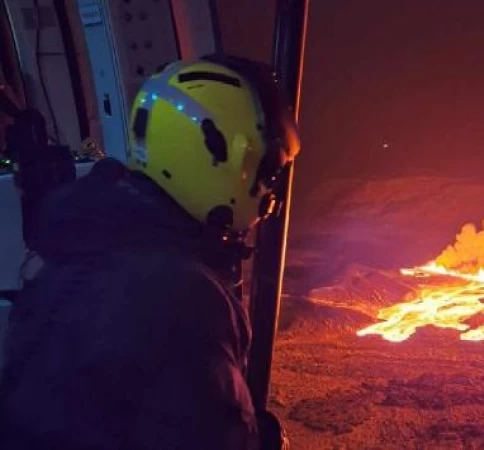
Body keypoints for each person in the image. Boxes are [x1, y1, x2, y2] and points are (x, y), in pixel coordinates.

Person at [0, 55, 299, 449]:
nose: (270, 193)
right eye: (267, 171)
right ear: (222, 158)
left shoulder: (83, 243)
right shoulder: (183, 297)